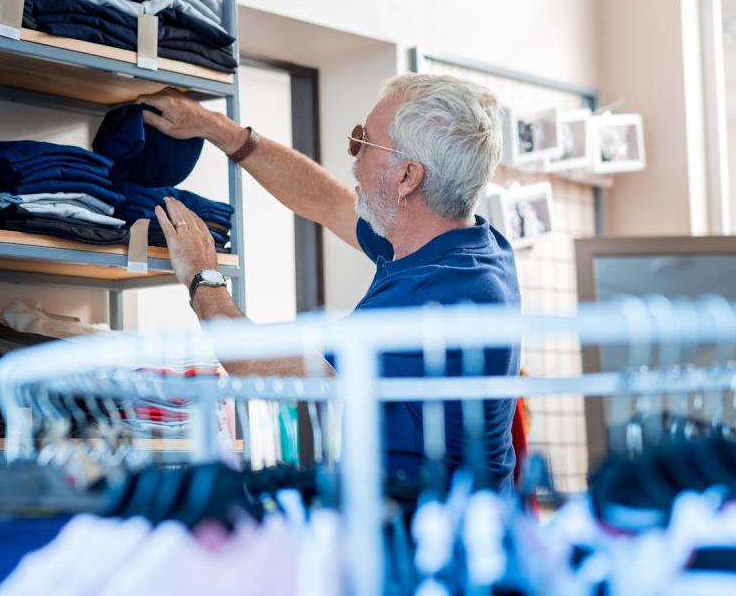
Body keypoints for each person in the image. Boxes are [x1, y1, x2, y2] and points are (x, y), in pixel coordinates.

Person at [137, 73, 520, 490]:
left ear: (407, 177)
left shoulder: (434, 297)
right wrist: (217, 129)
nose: (353, 156)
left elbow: (255, 368)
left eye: (363, 141)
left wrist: (200, 275)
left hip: (428, 538)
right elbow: (327, 202)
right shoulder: (466, 246)